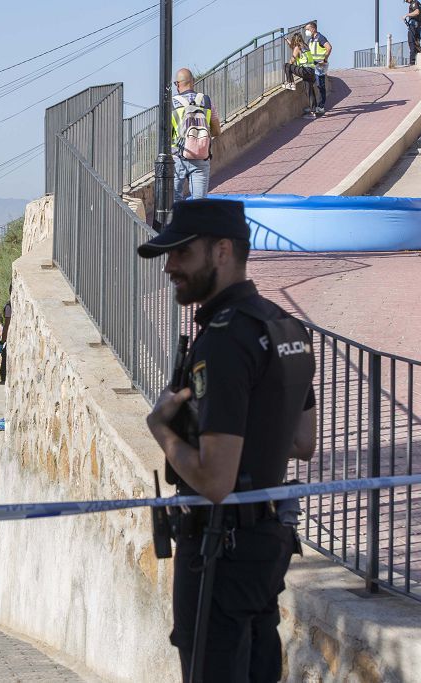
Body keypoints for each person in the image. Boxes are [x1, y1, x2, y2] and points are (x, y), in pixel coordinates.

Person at [138, 199, 316, 682]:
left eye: (180, 253)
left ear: (221, 251)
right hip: (265, 544)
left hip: (220, 544)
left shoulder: (223, 339)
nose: (170, 267)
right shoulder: (284, 325)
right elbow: (303, 441)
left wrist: (161, 431)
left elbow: (216, 480)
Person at [172, 67, 222, 200]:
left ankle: (179, 221)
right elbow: (217, 131)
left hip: (177, 159)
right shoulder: (206, 101)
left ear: (177, 84)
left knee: (175, 203)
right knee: (200, 203)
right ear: (193, 81)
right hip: (201, 157)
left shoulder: (171, 103)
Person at [283, 34, 319, 117]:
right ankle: (314, 110)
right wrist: (287, 40)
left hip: (305, 70)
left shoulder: (297, 47)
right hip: (312, 71)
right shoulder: (305, 46)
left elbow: (292, 61)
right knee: (309, 91)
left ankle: (290, 83)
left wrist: (290, 65)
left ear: (294, 40)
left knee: (286, 65)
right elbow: (293, 47)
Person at [305, 22, 333, 115]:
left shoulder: (320, 38)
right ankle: (314, 106)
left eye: (307, 29)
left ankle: (321, 107)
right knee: (311, 85)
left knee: (320, 86)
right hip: (313, 65)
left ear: (313, 29)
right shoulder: (311, 40)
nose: (306, 32)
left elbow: (329, 47)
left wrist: (324, 59)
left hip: (320, 65)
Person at [0, 286, 12, 384]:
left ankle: (3, 381)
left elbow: (7, 324)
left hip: (10, 338)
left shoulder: (9, 306)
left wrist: (2, 342)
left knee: (5, 358)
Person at [404, 0, 421, 66]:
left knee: (411, 42)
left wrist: (407, 15)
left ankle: (412, 61)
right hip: (418, 25)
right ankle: (420, 61)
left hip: (413, 25)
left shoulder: (414, 3)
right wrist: (419, 25)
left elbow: (417, 12)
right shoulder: (419, 3)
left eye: (406, 0)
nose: (407, 1)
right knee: (417, 43)